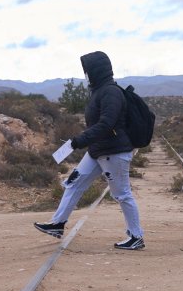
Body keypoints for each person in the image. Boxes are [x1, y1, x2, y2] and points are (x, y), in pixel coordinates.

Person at [35, 51, 146, 250]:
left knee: (122, 194)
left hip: (114, 151)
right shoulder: (99, 90)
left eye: (87, 70)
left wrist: (80, 140)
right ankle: (58, 224)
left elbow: (106, 124)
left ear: (96, 70)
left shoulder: (110, 92)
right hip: (98, 150)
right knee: (74, 183)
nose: (86, 74)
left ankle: (136, 236)